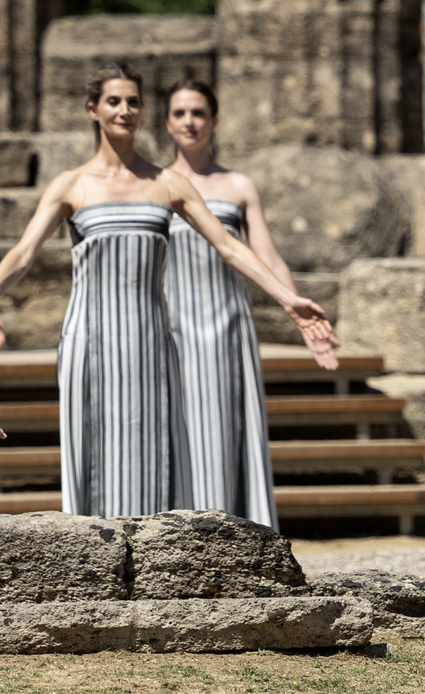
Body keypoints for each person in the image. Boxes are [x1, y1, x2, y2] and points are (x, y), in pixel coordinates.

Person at [0, 64, 331, 520]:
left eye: (133, 101)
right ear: (93, 109)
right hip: (89, 340)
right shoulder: (71, 185)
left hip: (151, 341)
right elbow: (21, 256)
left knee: (156, 458)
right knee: (93, 458)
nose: (125, 110)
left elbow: (229, 247)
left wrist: (287, 299)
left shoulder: (168, 184)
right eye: (114, 101)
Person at [163, 80, 338, 530]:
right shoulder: (155, 185)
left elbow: (268, 257)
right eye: (180, 113)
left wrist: (301, 318)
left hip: (227, 324)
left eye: (198, 113)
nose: (189, 122)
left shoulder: (238, 185)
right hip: (172, 326)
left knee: (225, 431)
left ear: (214, 121)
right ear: (167, 122)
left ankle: (234, 535)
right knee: (176, 432)